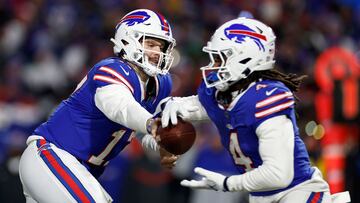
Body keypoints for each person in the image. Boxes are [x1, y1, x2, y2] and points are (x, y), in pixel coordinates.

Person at [160, 17, 336, 203]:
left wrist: (228, 183)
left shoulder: (265, 97)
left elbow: (278, 174)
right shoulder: (223, 93)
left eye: (221, 58)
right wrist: (174, 106)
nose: (214, 66)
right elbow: (202, 107)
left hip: (297, 193)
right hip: (261, 196)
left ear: (245, 57)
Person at [19, 9, 177, 203]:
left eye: (161, 47)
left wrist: (160, 141)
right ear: (127, 40)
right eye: (150, 44)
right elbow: (120, 107)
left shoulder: (158, 84)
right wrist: (153, 125)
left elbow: (133, 132)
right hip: (54, 156)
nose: (157, 53)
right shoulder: (113, 69)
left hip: (75, 169)